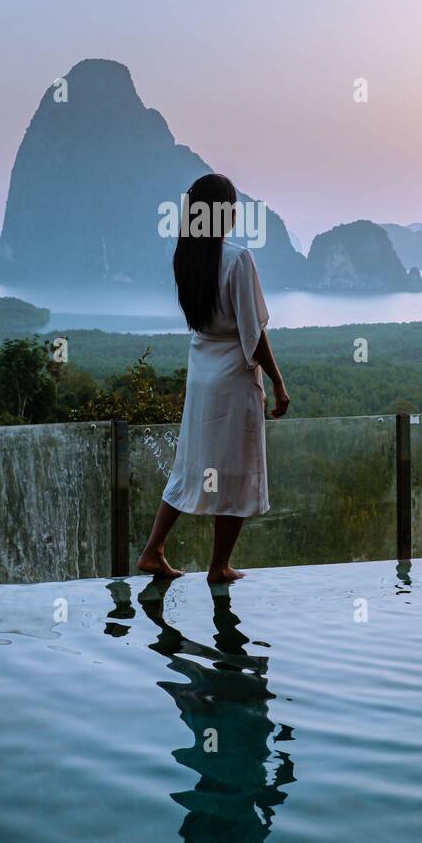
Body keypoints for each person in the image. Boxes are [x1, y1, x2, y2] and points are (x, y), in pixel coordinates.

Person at [137, 173, 289, 583]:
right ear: (221, 212)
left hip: (202, 376)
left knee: (192, 465)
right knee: (236, 468)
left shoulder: (185, 257)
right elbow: (252, 334)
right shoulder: (238, 259)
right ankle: (218, 565)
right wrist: (277, 380)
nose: (237, 212)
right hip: (234, 379)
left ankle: (153, 550)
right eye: (233, 205)